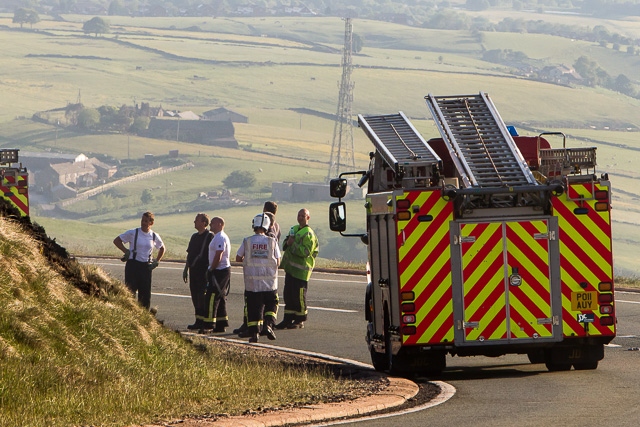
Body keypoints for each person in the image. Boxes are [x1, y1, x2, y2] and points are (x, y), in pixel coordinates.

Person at [233, 201, 281, 336]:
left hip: (252, 284)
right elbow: (278, 260)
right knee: (271, 305)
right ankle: (268, 324)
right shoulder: (272, 241)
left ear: (253, 225)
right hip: (270, 284)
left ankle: (254, 333)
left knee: (254, 308)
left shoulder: (247, 241)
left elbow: (238, 258)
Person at [275, 208, 318, 330]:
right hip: (290, 270)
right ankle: (287, 319)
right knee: (288, 295)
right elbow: (285, 244)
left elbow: (305, 252)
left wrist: (292, 244)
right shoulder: (293, 229)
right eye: (299, 215)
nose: (300, 218)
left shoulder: (308, 233)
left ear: (308, 218)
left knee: (299, 296)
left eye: (303, 216)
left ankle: (300, 320)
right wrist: (287, 243)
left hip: (301, 272)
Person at [113, 211, 165, 310]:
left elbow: (162, 248)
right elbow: (117, 241)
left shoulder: (154, 236)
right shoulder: (133, 232)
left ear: (151, 223)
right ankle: (128, 313)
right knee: (129, 292)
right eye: (142, 220)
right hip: (133, 265)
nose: (143, 223)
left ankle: (144, 317)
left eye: (146, 221)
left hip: (146, 267)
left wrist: (157, 261)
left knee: (145, 295)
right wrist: (126, 251)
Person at [183, 213, 213, 330]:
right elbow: (189, 254)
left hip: (203, 271)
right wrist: (186, 269)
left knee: (202, 296)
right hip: (193, 271)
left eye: (196, 220)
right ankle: (197, 320)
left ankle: (203, 320)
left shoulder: (209, 236)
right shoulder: (194, 237)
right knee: (194, 295)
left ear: (204, 222)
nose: (194, 222)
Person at [204, 216, 231, 333]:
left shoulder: (220, 237)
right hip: (220, 270)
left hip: (219, 270)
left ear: (220, 224)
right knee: (220, 296)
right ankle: (221, 323)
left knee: (212, 297)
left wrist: (211, 269)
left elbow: (219, 255)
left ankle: (209, 324)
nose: (210, 225)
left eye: (212, 223)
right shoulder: (218, 237)